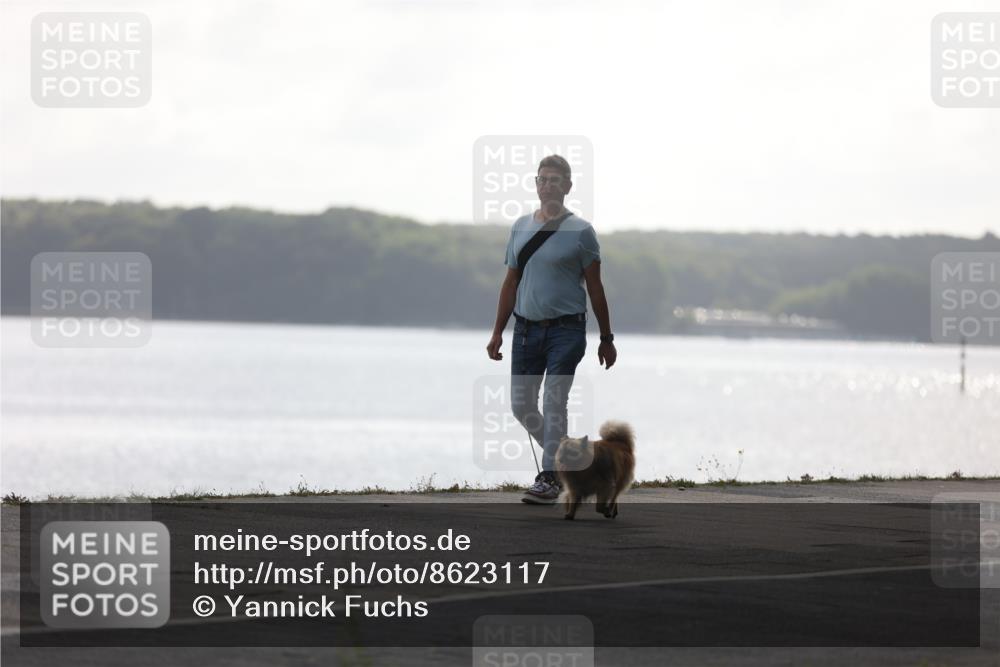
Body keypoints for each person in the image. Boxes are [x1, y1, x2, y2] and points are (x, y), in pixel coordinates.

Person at [486, 154, 617, 504]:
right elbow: (510, 282)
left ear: (568, 186)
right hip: (526, 331)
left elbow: (596, 288)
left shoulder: (582, 232)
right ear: (536, 184)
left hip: (566, 331)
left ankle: (549, 478)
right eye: (542, 179)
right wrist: (498, 331)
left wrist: (606, 338)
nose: (548, 185)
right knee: (521, 406)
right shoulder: (520, 227)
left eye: (555, 180)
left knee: (555, 401)